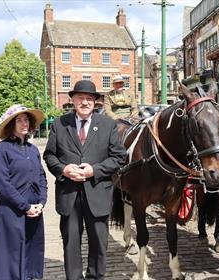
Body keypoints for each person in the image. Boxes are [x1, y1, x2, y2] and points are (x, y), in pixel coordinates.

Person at [43, 80, 126, 280]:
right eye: (80, 98)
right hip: (68, 194)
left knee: (99, 242)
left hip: (97, 192)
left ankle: (95, 277)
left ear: (95, 102)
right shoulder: (59, 124)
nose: (85, 102)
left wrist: (94, 170)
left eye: (90, 98)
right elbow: (49, 156)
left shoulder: (107, 125)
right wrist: (63, 169)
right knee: (71, 242)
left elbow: (119, 157)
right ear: (73, 100)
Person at [0, 105, 48, 280]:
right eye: (19, 120)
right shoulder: (3, 149)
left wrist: (41, 201)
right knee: (11, 251)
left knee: (31, 247)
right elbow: (3, 184)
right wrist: (25, 206)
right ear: (11, 124)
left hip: (34, 209)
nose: (24, 123)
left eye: (26, 120)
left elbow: (41, 176)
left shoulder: (33, 150)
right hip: (12, 209)